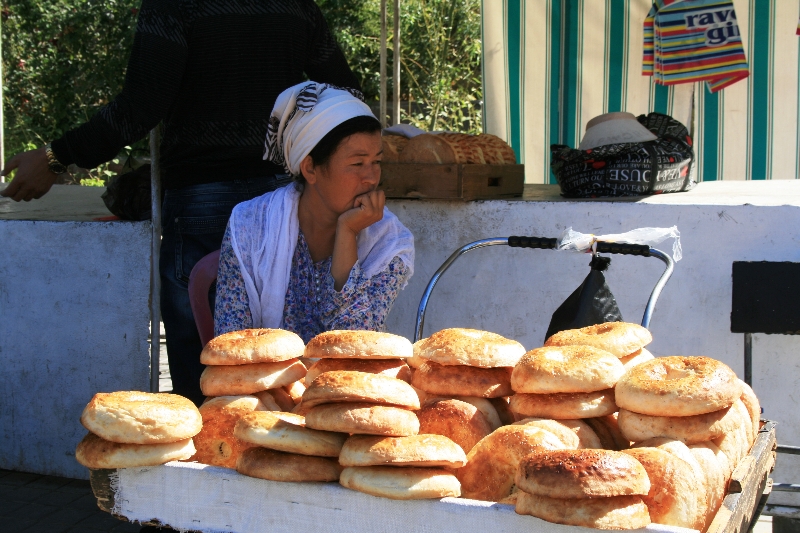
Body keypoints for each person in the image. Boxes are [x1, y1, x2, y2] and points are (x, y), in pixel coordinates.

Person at [0, 1, 361, 406]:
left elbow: (140, 107)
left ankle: (205, 458)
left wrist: (56, 157)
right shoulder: (294, 5)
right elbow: (346, 95)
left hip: (203, 199)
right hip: (282, 198)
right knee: (283, 355)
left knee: (206, 368)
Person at [214, 82, 414, 338]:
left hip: (350, 378)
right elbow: (232, 342)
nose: (371, 178)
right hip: (265, 376)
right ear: (310, 168)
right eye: (357, 163)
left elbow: (354, 342)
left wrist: (347, 232)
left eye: (376, 161)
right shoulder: (250, 227)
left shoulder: (389, 242)